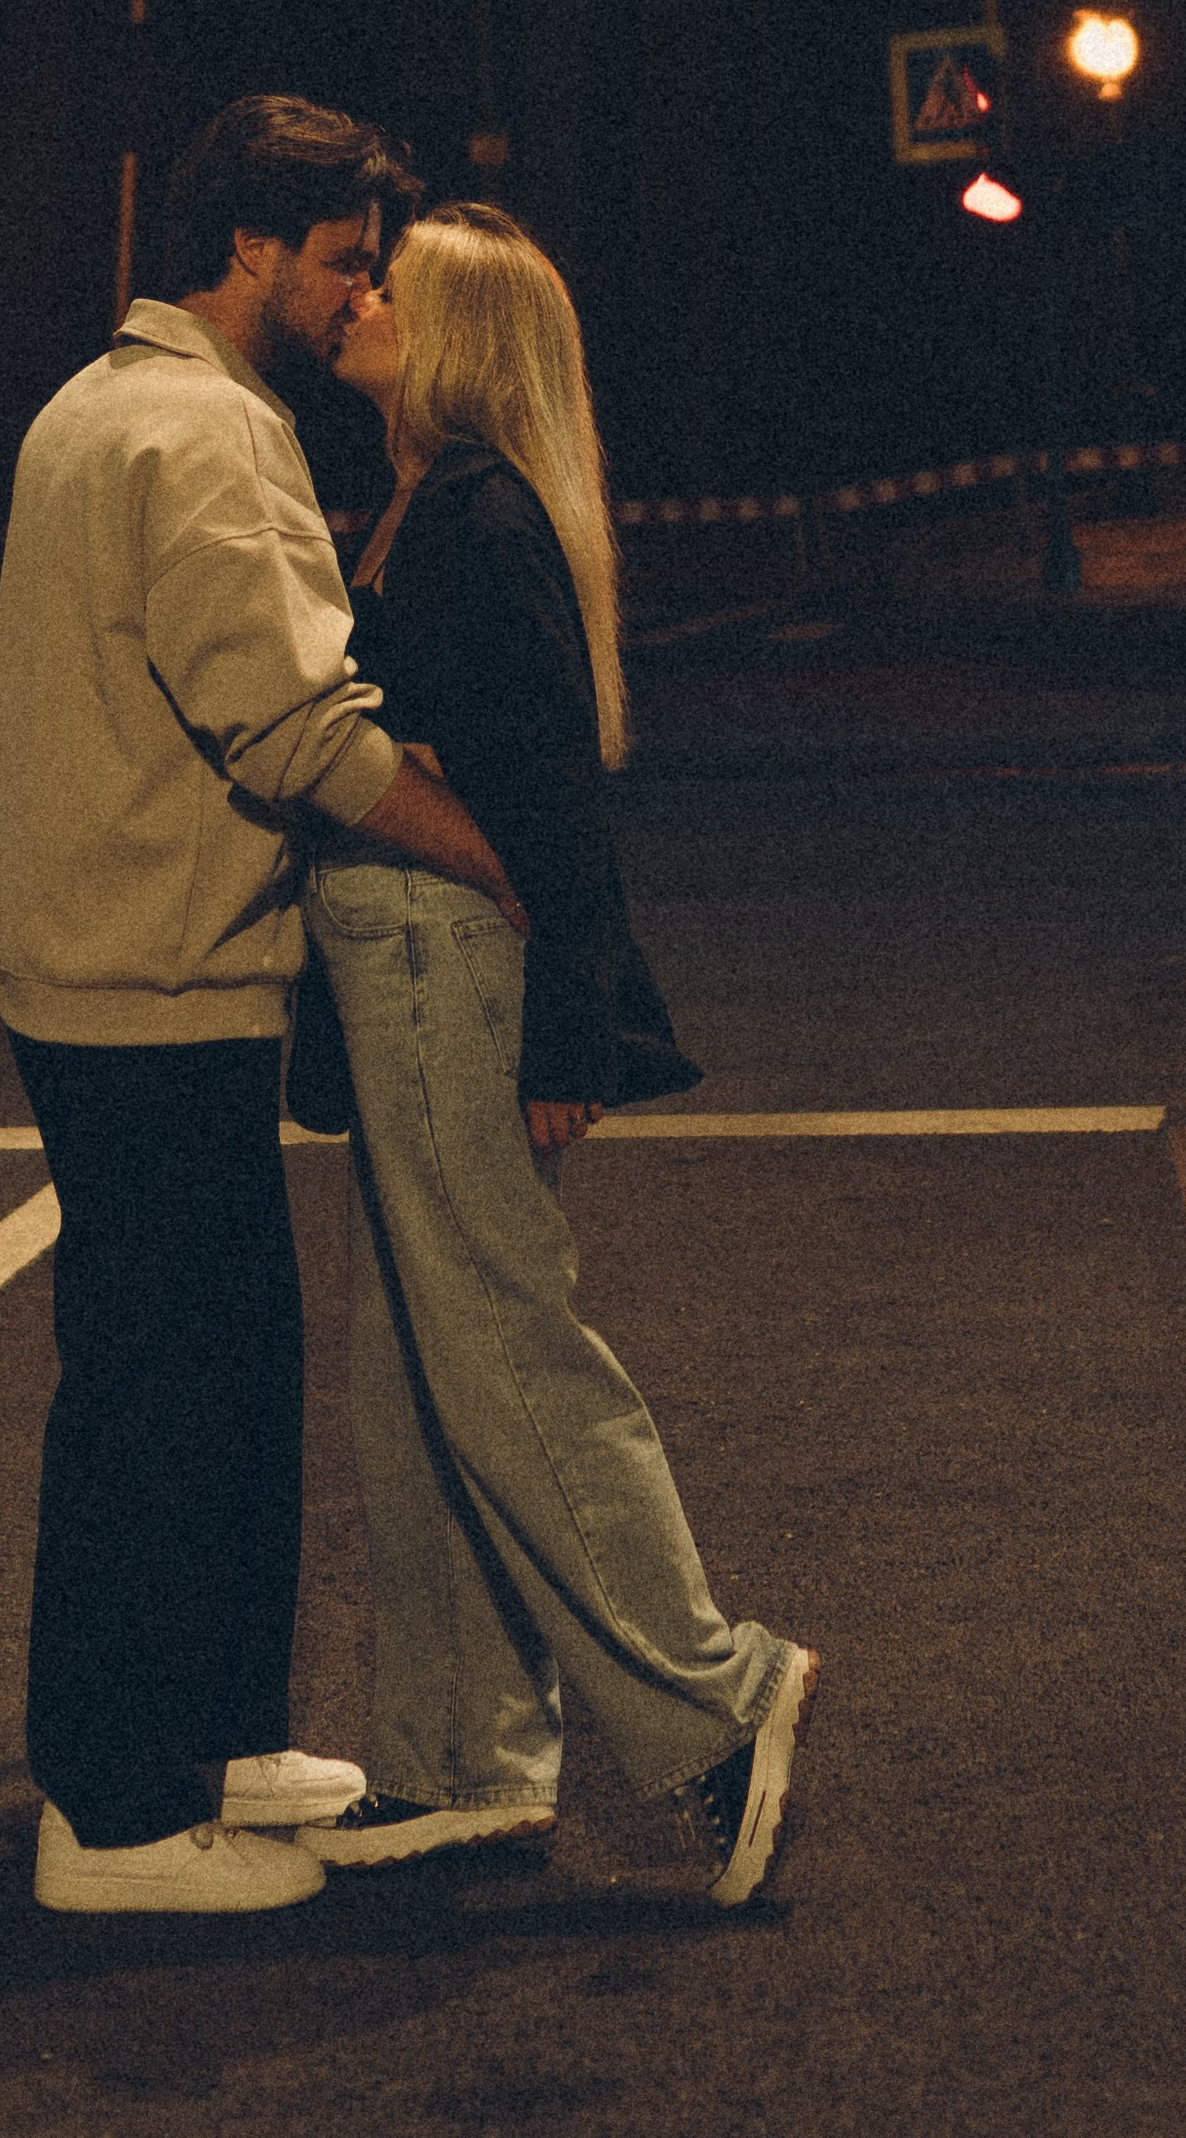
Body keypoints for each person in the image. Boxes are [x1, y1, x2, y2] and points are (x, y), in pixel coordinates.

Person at [0, 97, 528, 1916]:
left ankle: (210, 1739)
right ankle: (116, 1819)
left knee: (213, 1380)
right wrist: (492, 857)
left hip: (103, 968)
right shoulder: (209, 435)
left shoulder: (91, 406)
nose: (362, 291)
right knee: (156, 1398)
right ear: (251, 249)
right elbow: (293, 727)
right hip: (156, 983)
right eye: (346, 262)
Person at [300, 201, 818, 1906]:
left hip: (458, 969)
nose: (362, 295)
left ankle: (717, 1700)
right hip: (413, 968)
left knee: (507, 1352)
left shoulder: (476, 518)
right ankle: (463, 1758)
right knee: (414, 1375)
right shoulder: (428, 502)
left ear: (458, 338)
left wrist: (569, 1023)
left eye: (397, 284)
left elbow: (554, 806)